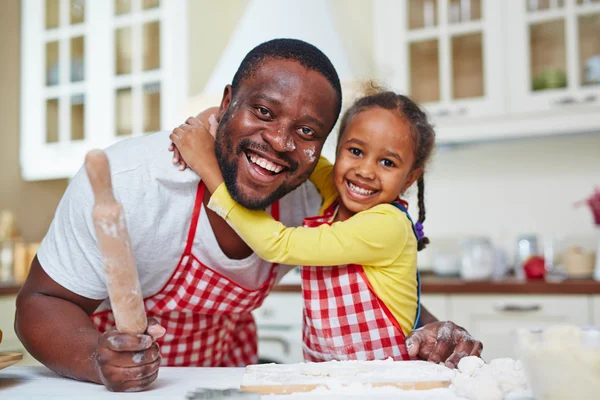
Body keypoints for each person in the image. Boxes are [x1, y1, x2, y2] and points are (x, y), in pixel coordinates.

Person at [15, 39, 482, 393]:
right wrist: (99, 360)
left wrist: (433, 334)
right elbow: (39, 302)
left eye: (306, 131)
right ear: (226, 104)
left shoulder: (316, 191)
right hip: (112, 382)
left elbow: (373, 289)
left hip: (225, 376)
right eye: (262, 111)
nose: (280, 142)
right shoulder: (132, 180)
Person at [169, 86, 434, 362]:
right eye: (355, 151)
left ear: (409, 179)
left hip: (385, 383)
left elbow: (276, 244)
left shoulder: (387, 225)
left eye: (387, 162)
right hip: (330, 378)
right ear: (339, 148)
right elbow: (302, 156)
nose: (365, 171)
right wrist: (221, 119)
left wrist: (206, 165)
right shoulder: (336, 193)